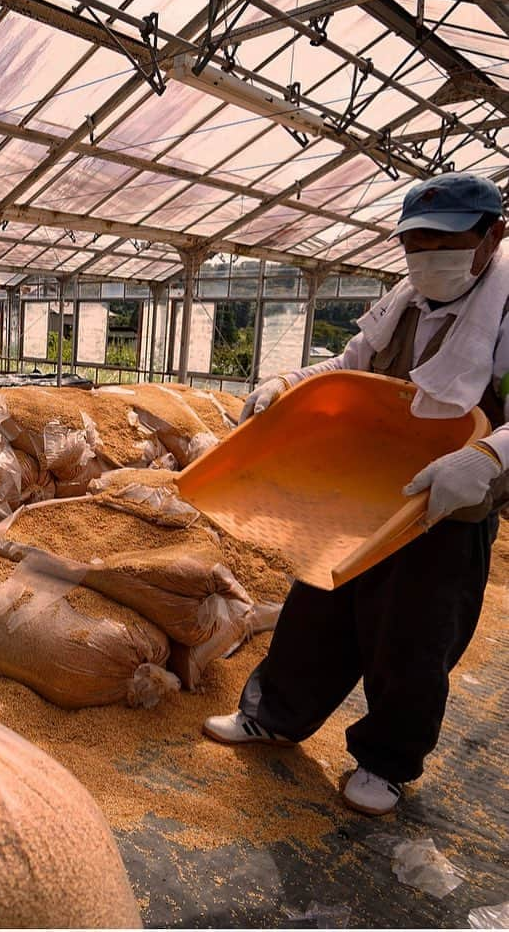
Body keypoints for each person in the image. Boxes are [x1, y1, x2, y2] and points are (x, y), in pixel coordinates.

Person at [203, 171, 507, 816]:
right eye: (416, 243)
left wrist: (487, 454)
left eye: (444, 242)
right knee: (316, 608)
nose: (428, 257)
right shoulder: (406, 299)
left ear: (493, 235)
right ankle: (273, 717)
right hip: (361, 486)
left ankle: (385, 763)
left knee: (414, 638)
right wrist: (289, 382)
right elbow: (348, 368)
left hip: (445, 504)